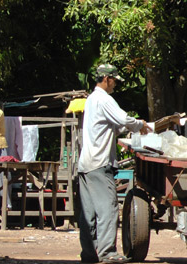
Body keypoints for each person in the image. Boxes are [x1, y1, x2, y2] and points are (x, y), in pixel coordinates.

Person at [78, 64, 152, 263]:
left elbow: (113, 126)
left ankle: (89, 254)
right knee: (108, 209)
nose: (115, 85)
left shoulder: (91, 100)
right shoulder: (104, 99)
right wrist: (142, 125)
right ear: (107, 79)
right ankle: (107, 253)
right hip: (99, 163)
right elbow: (124, 119)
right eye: (114, 81)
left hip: (86, 163)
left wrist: (129, 128)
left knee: (88, 213)